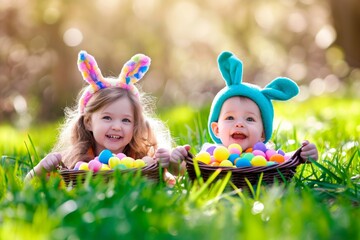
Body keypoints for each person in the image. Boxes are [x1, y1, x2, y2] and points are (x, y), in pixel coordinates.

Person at [25, 50, 172, 180]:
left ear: (135, 125)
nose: (116, 127)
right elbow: (29, 183)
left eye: (126, 120)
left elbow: (173, 176)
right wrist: (40, 170)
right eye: (107, 117)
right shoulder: (75, 160)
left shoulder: (141, 158)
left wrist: (169, 162)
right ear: (88, 122)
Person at [168, 51, 318, 175]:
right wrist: (175, 162)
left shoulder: (266, 155)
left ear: (262, 134)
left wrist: (303, 155)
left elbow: (287, 159)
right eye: (230, 117)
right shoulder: (210, 154)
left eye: (250, 119)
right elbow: (185, 172)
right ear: (217, 130)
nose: (239, 123)